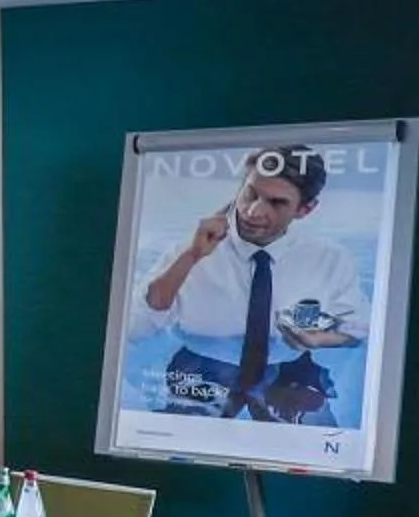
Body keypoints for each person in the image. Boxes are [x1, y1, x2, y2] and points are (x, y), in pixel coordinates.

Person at [125, 142, 365, 425]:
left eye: (276, 203)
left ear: (305, 209)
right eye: (250, 193)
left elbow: (359, 328)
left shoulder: (329, 259)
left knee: (324, 447)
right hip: (203, 368)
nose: (253, 212)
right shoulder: (189, 250)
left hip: (288, 371)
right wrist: (191, 257)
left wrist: (323, 338)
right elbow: (134, 327)